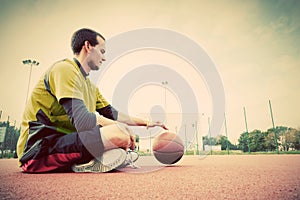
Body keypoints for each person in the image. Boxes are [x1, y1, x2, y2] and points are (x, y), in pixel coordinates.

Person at [17, 28, 167, 173]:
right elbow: (81, 120)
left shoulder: (91, 87)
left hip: (65, 142)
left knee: (117, 135)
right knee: (117, 134)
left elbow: (112, 113)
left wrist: (146, 123)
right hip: (37, 149)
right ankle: (88, 161)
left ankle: (87, 161)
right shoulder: (64, 69)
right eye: (102, 51)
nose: (104, 57)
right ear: (88, 46)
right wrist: (120, 128)